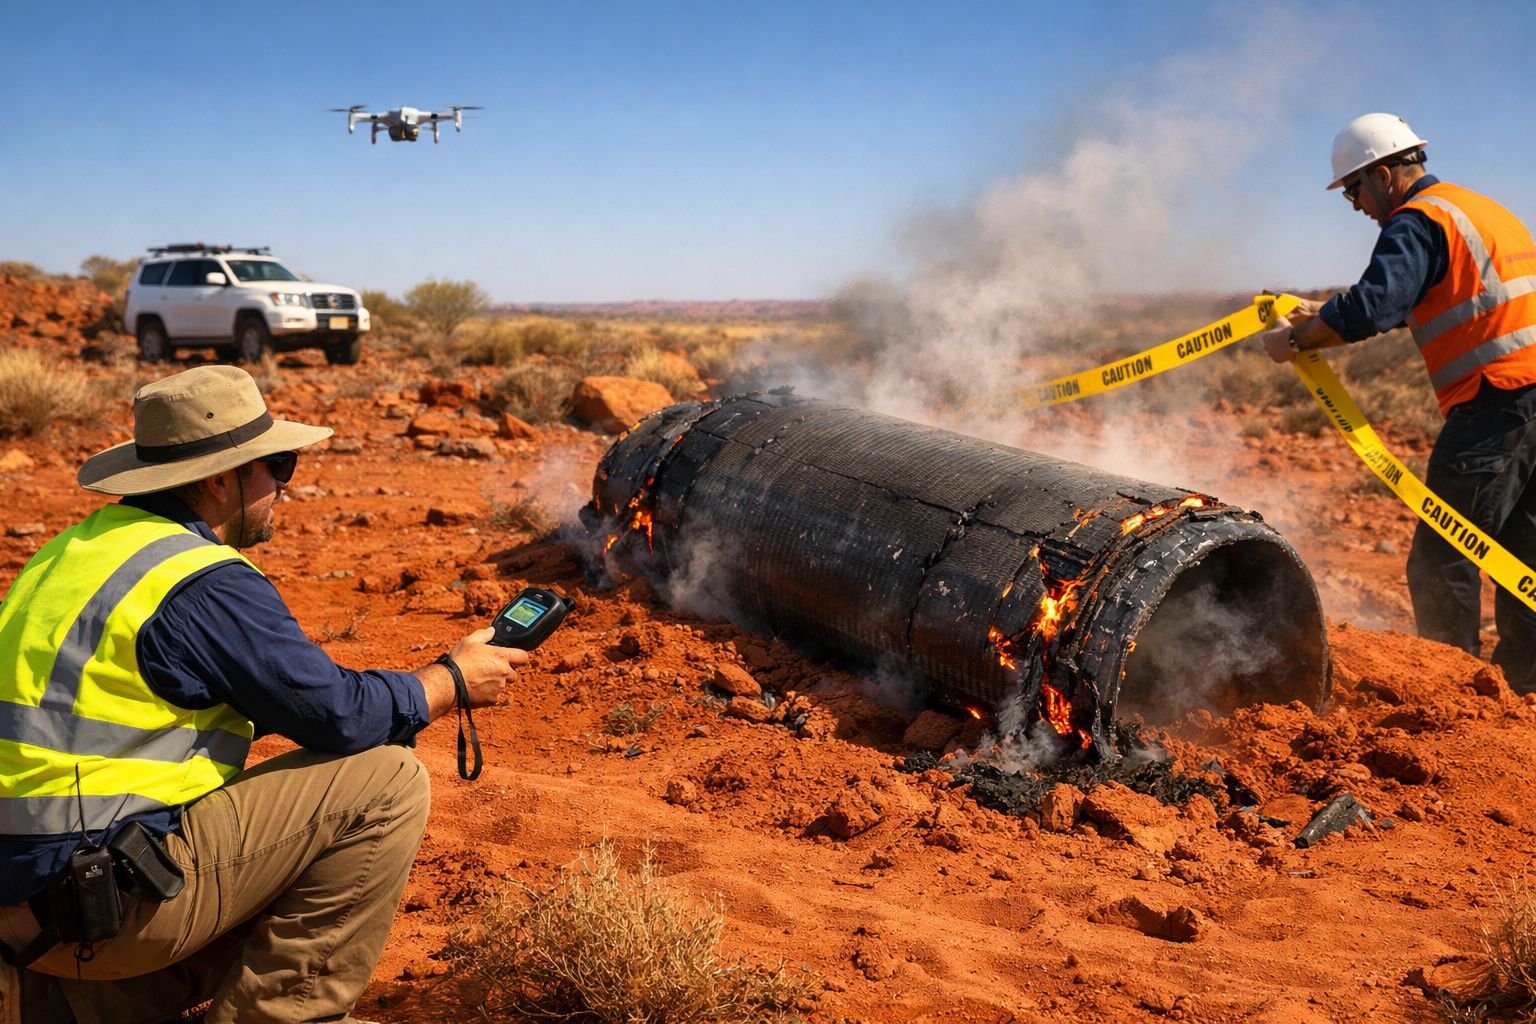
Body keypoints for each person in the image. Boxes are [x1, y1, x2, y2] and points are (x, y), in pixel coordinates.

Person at [0, 365, 529, 1023]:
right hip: (101, 912)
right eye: (277, 465)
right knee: (385, 782)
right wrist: (452, 680)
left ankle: (86, 1006)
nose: (284, 486)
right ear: (219, 480)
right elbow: (338, 715)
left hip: (24, 918)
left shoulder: (69, 552)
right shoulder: (199, 580)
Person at [1258, 113, 1536, 691]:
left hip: (1497, 402)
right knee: (1523, 551)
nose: (1355, 205)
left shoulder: (1415, 221)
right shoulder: (1482, 209)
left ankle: (1451, 695)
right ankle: (1523, 689)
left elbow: (1373, 307)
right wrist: (1320, 317)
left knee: (1443, 554)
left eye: (1355, 189)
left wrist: (1294, 340)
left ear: (1383, 175)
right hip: (1530, 397)